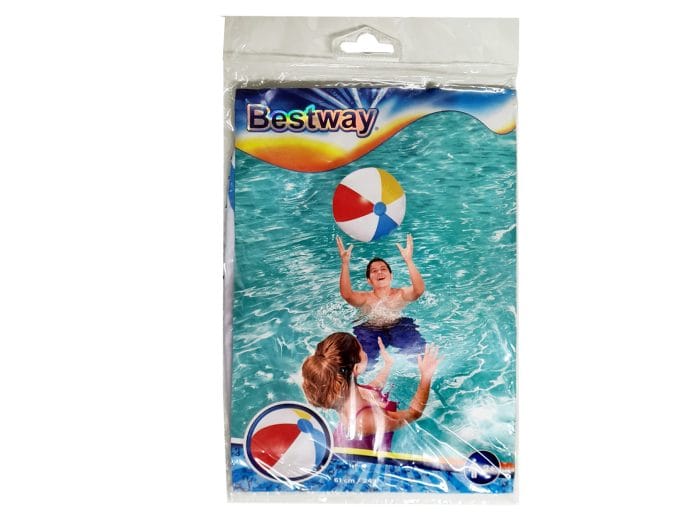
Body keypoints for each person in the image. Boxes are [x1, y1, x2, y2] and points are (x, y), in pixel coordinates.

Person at [301, 332, 440, 453]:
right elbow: (414, 413)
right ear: (356, 369)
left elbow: (373, 387)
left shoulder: (345, 390)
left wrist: (388, 365)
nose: (365, 352)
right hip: (365, 463)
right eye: (362, 350)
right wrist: (426, 376)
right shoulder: (366, 420)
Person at [336, 233, 426, 365]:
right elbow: (347, 295)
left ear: (391, 275)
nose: (379, 272)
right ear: (369, 280)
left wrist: (408, 260)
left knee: (420, 356)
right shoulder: (365, 298)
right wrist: (345, 263)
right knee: (363, 363)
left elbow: (418, 290)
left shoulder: (401, 294)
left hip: (399, 326)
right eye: (374, 271)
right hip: (370, 330)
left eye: (383, 269)